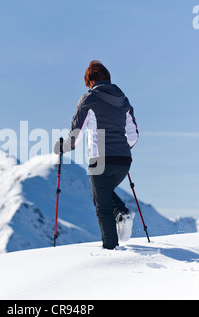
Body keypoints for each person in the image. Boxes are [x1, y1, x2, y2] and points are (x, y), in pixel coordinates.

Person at [54, 60, 139, 249]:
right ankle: (122, 214)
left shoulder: (88, 100)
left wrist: (62, 147)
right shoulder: (124, 101)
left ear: (90, 81)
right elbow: (133, 136)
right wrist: (121, 147)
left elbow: (75, 136)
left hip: (100, 160)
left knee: (102, 207)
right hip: (124, 161)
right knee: (102, 194)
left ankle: (111, 250)